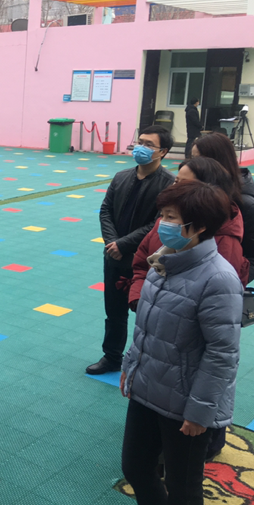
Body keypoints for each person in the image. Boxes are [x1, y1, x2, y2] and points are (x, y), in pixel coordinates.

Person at [121, 180, 242, 505]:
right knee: (136, 467)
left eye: (171, 217)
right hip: (148, 387)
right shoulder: (164, 262)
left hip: (186, 403)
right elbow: (146, 329)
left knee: (183, 486)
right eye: (162, 215)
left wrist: (200, 411)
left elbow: (222, 353)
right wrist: (131, 368)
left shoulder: (219, 279)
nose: (163, 224)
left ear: (198, 226)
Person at [88, 125, 176, 376]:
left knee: (148, 313)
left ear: (163, 152)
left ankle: (146, 360)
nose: (141, 148)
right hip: (114, 256)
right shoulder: (121, 177)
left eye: (149, 145)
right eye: (140, 142)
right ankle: (112, 356)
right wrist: (112, 243)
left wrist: (123, 244)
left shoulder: (169, 184)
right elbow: (106, 211)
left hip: (147, 260)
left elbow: (157, 223)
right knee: (114, 311)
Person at [129, 157, 249, 310]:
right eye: (176, 181)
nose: (176, 187)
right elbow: (141, 263)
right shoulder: (166, 224)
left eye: (184, 183)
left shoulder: (224, 248)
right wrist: (138, 299)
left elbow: (220, 309)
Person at [191, 133, 254, 283]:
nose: (193, 165)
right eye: (192, 158)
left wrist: (230, 282)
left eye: (200, 159)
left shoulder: (249, 207)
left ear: (219, 162)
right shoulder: (189, 194)